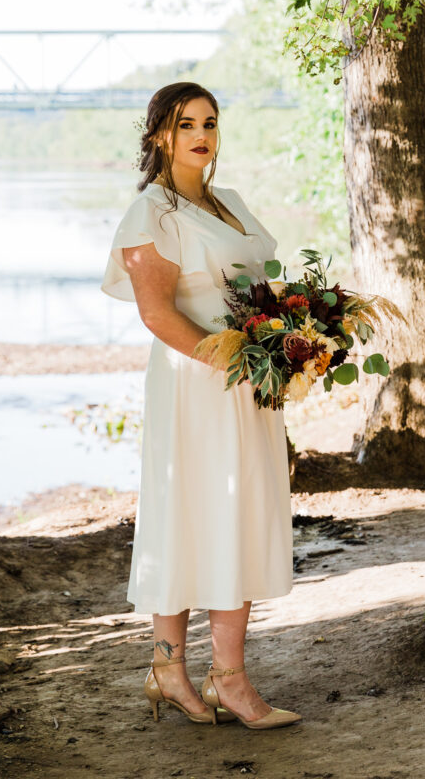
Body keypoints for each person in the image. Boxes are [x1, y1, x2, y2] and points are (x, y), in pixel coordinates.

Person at [101, 81, 301, 730]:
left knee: (238, 516)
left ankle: (218, 675)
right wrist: (234, 360)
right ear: (159, 131)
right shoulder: (151, 215)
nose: (201, 134)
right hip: (195, 385)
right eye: (186, 122)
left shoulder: (232, 205)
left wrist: (290, 348)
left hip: (250, 381)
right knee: (190, 514)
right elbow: (157, 315)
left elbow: (260, 292)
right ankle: (176, 668)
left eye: (210, 122)